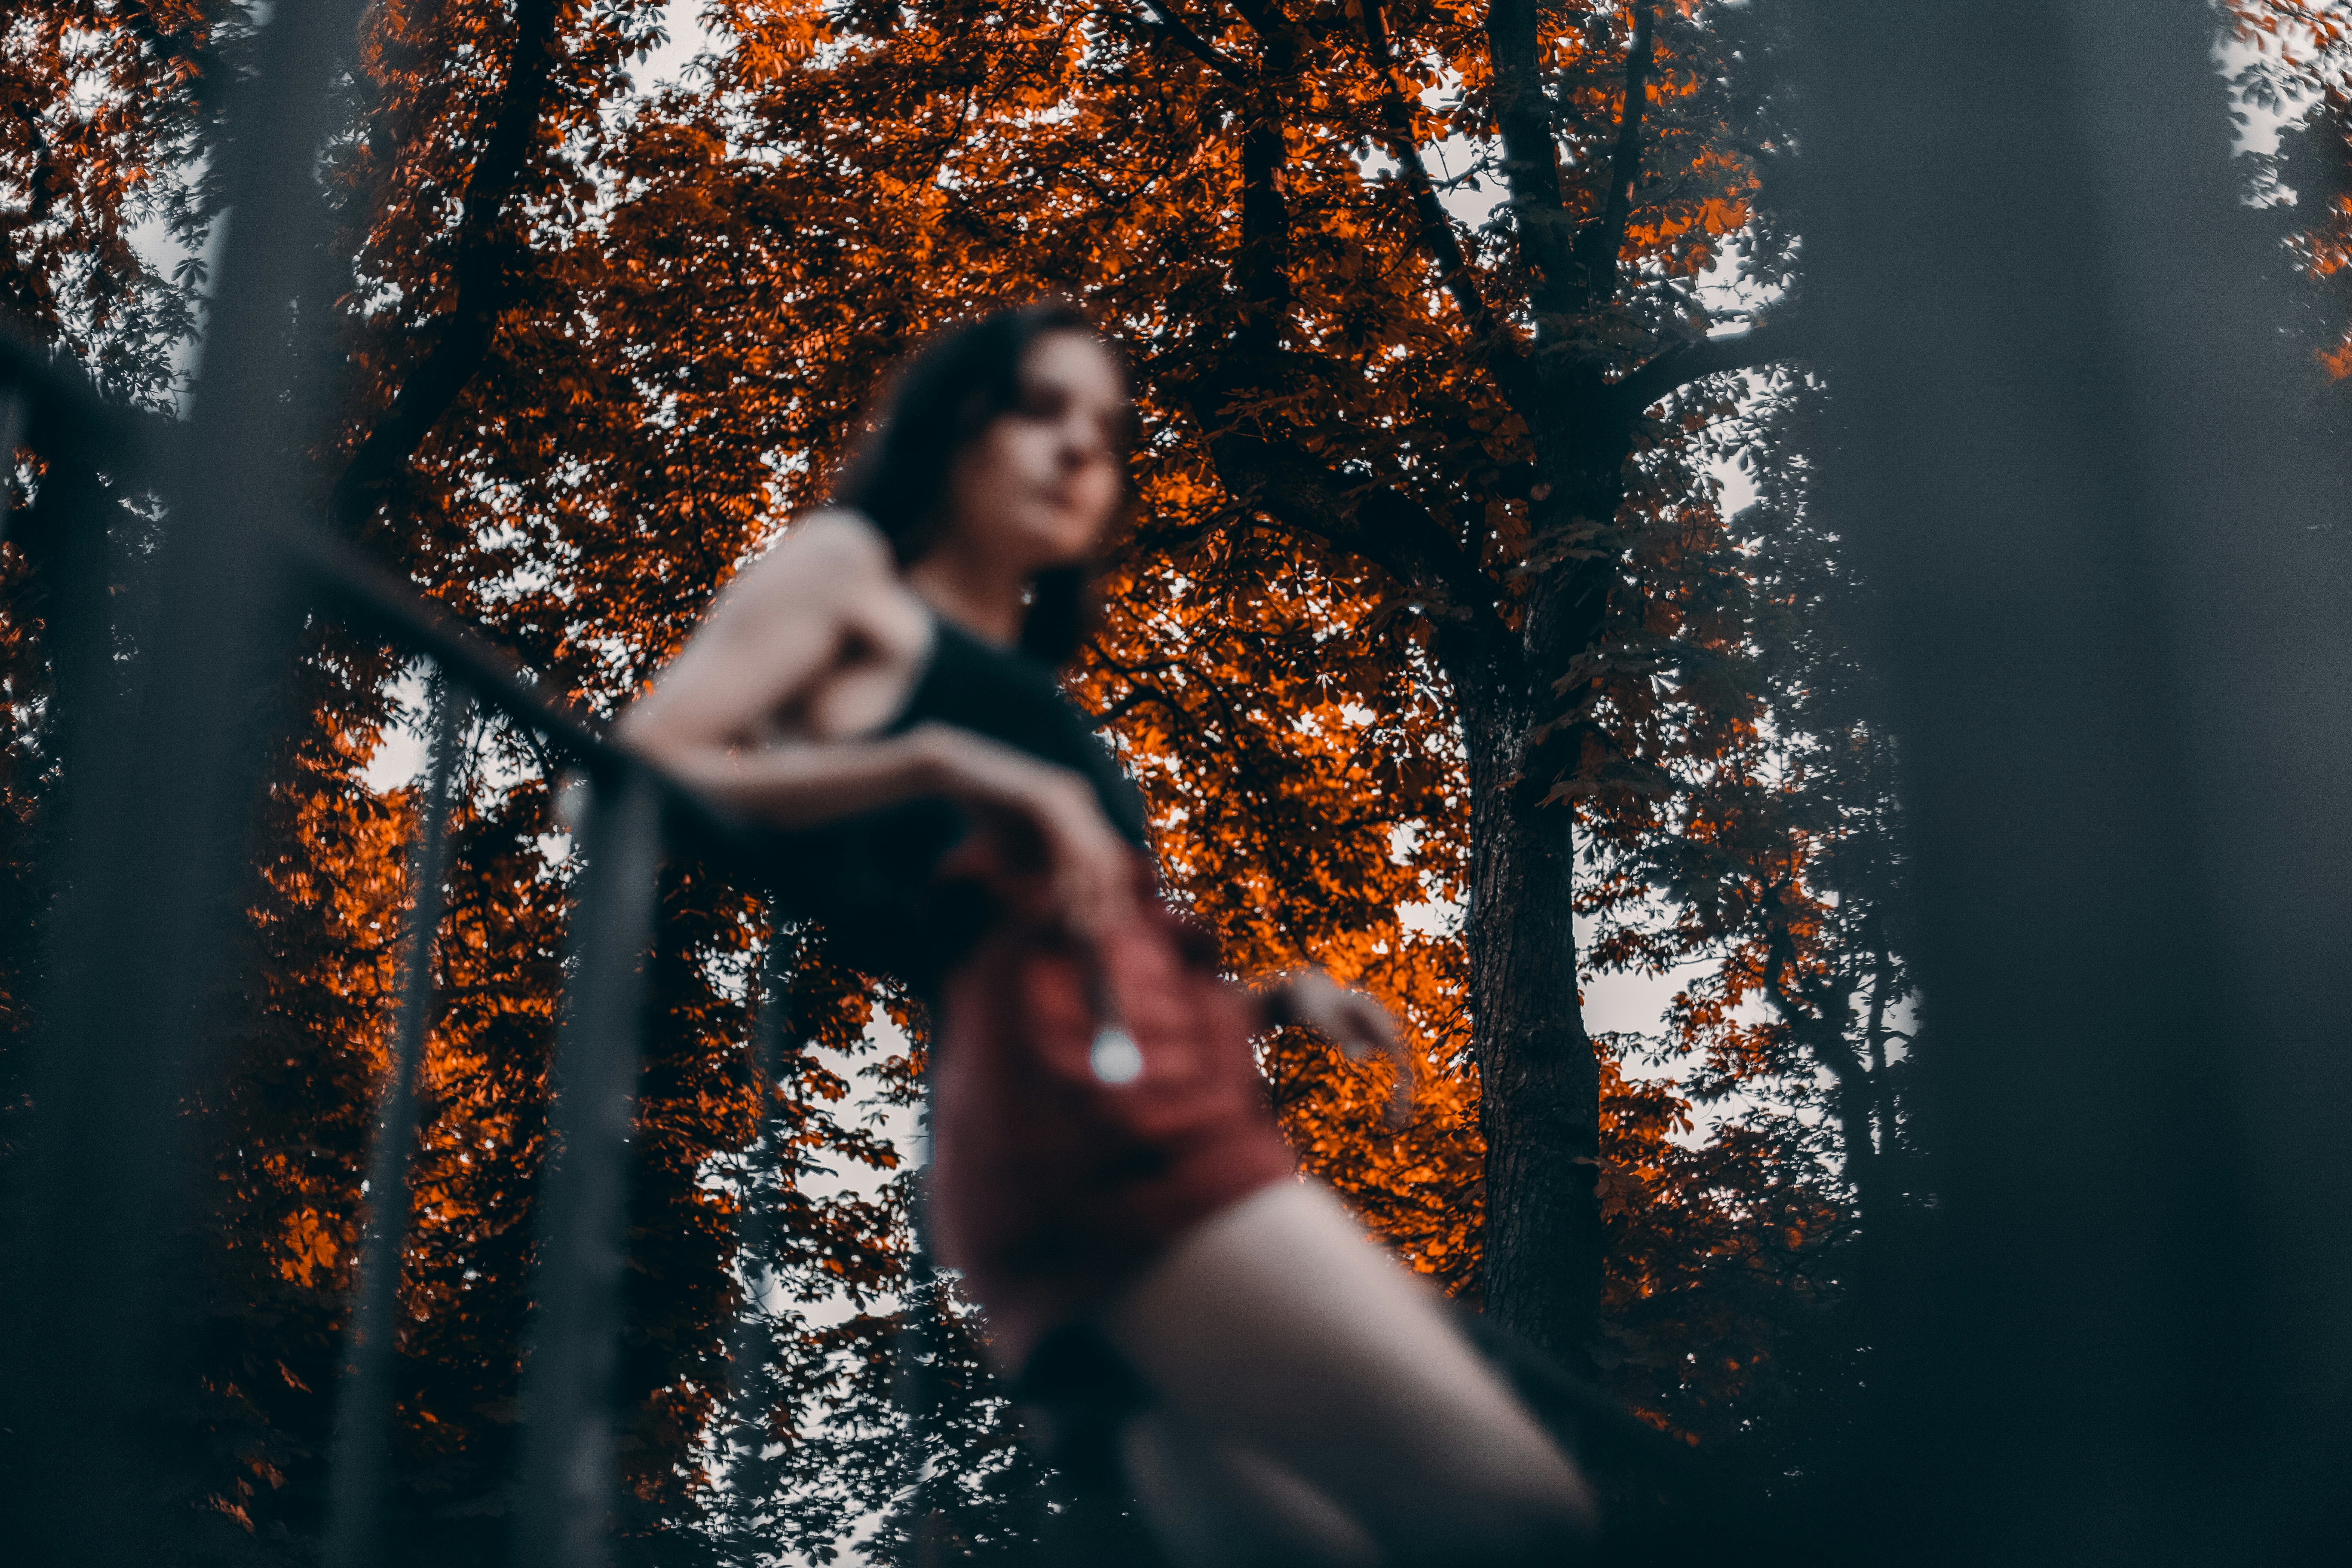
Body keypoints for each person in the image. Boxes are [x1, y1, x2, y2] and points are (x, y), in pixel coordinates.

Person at [616, 302, 1597, 1566]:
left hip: (1098, 1091)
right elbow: (644, 765)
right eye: (1041, 409)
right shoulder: (846, 570)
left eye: (1109, 431)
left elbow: (1046, 952)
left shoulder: (1016, 671)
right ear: (951, 428)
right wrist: (946, 758)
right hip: (1099, 1128)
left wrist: (1269, 1000)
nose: (1084, 449)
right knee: (1527, 1517)